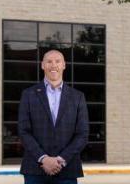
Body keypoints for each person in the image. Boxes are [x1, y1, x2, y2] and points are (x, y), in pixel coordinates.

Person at [18, 49, 89, 184]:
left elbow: (82, 134)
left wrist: (60, 160)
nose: (53, 65)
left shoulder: (78, 97)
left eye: (57, 61)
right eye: (49, 61)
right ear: (42, 65)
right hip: (35, 169)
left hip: (67, 169)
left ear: (64, 65)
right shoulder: (28, 94)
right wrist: (43, 158)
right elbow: (23, 131)